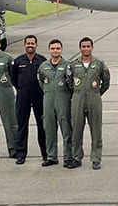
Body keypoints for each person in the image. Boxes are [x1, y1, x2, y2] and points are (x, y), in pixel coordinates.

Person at [67, 37, 110, 170]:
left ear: (92, 47)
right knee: (76, 130)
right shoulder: (73, 64)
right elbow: (69, 81)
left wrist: (97, 93)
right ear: (80, 48)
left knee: (96, 130)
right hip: (78, 98)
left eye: (88, 46)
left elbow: (106, 81)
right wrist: (77, 92)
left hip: (94, 98)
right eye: (83, 47)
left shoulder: (99, 64)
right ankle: (76, 157)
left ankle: (96, 158)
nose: (86, 49)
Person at [37, 39, 72, 167]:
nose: (55, 51)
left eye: (57, 48)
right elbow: (41, 82)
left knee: (67, 129)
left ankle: (68, 156)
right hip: (48, 101)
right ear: (49, 50)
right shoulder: (44, 66)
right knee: (49, 129)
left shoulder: (68, 65)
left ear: (61, 50)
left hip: (63, 100)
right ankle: (51, 156)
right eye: (53, 48)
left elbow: (71, 84)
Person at [12, 35, 47, 163]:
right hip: (23, 97)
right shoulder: (18, 61)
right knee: (22, 126)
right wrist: (21, 89)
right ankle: (21, 154)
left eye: (32, 43)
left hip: (39, 96)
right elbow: (13, 78)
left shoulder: (42, 61)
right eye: (28, 43)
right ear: (24, 45)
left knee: (42, 126)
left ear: (36, 45)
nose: (30, 45)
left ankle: (46, 153)